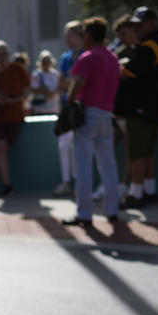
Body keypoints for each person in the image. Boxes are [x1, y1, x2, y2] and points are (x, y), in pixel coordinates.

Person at [61, 17, 122, 227]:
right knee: (108, 165)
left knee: (83, 166)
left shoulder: (88, 57)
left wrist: (69, 103)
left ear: (87, 35)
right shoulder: (113, 59)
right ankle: (112, 210)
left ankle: (84, 214)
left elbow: (77, 84)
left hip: (88, 114)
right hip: (107, 114)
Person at [119, 6, 158, 209]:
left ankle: (136, 195)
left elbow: (127, 72)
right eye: (135, 25)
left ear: (152, 24)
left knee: (137, 152)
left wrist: (114, 65)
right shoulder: (149, 44)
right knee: (147, 151)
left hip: (142, 109)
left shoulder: (149, 46)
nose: (137, 28)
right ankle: (149, 191)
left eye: (141, 24)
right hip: (152, 107)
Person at [0, 39, 31, 196]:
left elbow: (27, 91)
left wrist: (12, 100)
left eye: (5, 54)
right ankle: (7, 184)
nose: (2, 57)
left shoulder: (18, 70)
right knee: (1, 148)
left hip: (15, 116)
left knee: (2, 151)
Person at [53, 20, 85, 196]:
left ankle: (81, 184)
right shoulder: (65, 57)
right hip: (68, 109)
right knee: (64, 144)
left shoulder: (86, 54)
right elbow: (61, 83)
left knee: (79, 147)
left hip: (84, 108)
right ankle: (67, 182)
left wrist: (71, 82)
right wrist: (73, 83)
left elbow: (79, 83)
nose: (66, 38)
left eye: (69, 34)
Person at [111, 15, 138, 205]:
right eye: (119, 34)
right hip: (116, 110)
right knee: (107, 145)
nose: (121, 38)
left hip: (133, 110)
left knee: (131, 149)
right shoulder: (117, 54)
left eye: (124, 33)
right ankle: (111, 185)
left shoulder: (141, 52)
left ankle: (124, 185)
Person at [30, 50, 61, 115]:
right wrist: (45, 91)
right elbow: (33, 89)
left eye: (48, 61)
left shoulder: (56, 74)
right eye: (44, 62)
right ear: (40, 62)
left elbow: (59, 87)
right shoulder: (36, 74)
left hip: (54, 108)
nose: (46, 63)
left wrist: (52, 93)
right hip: (40, 109)